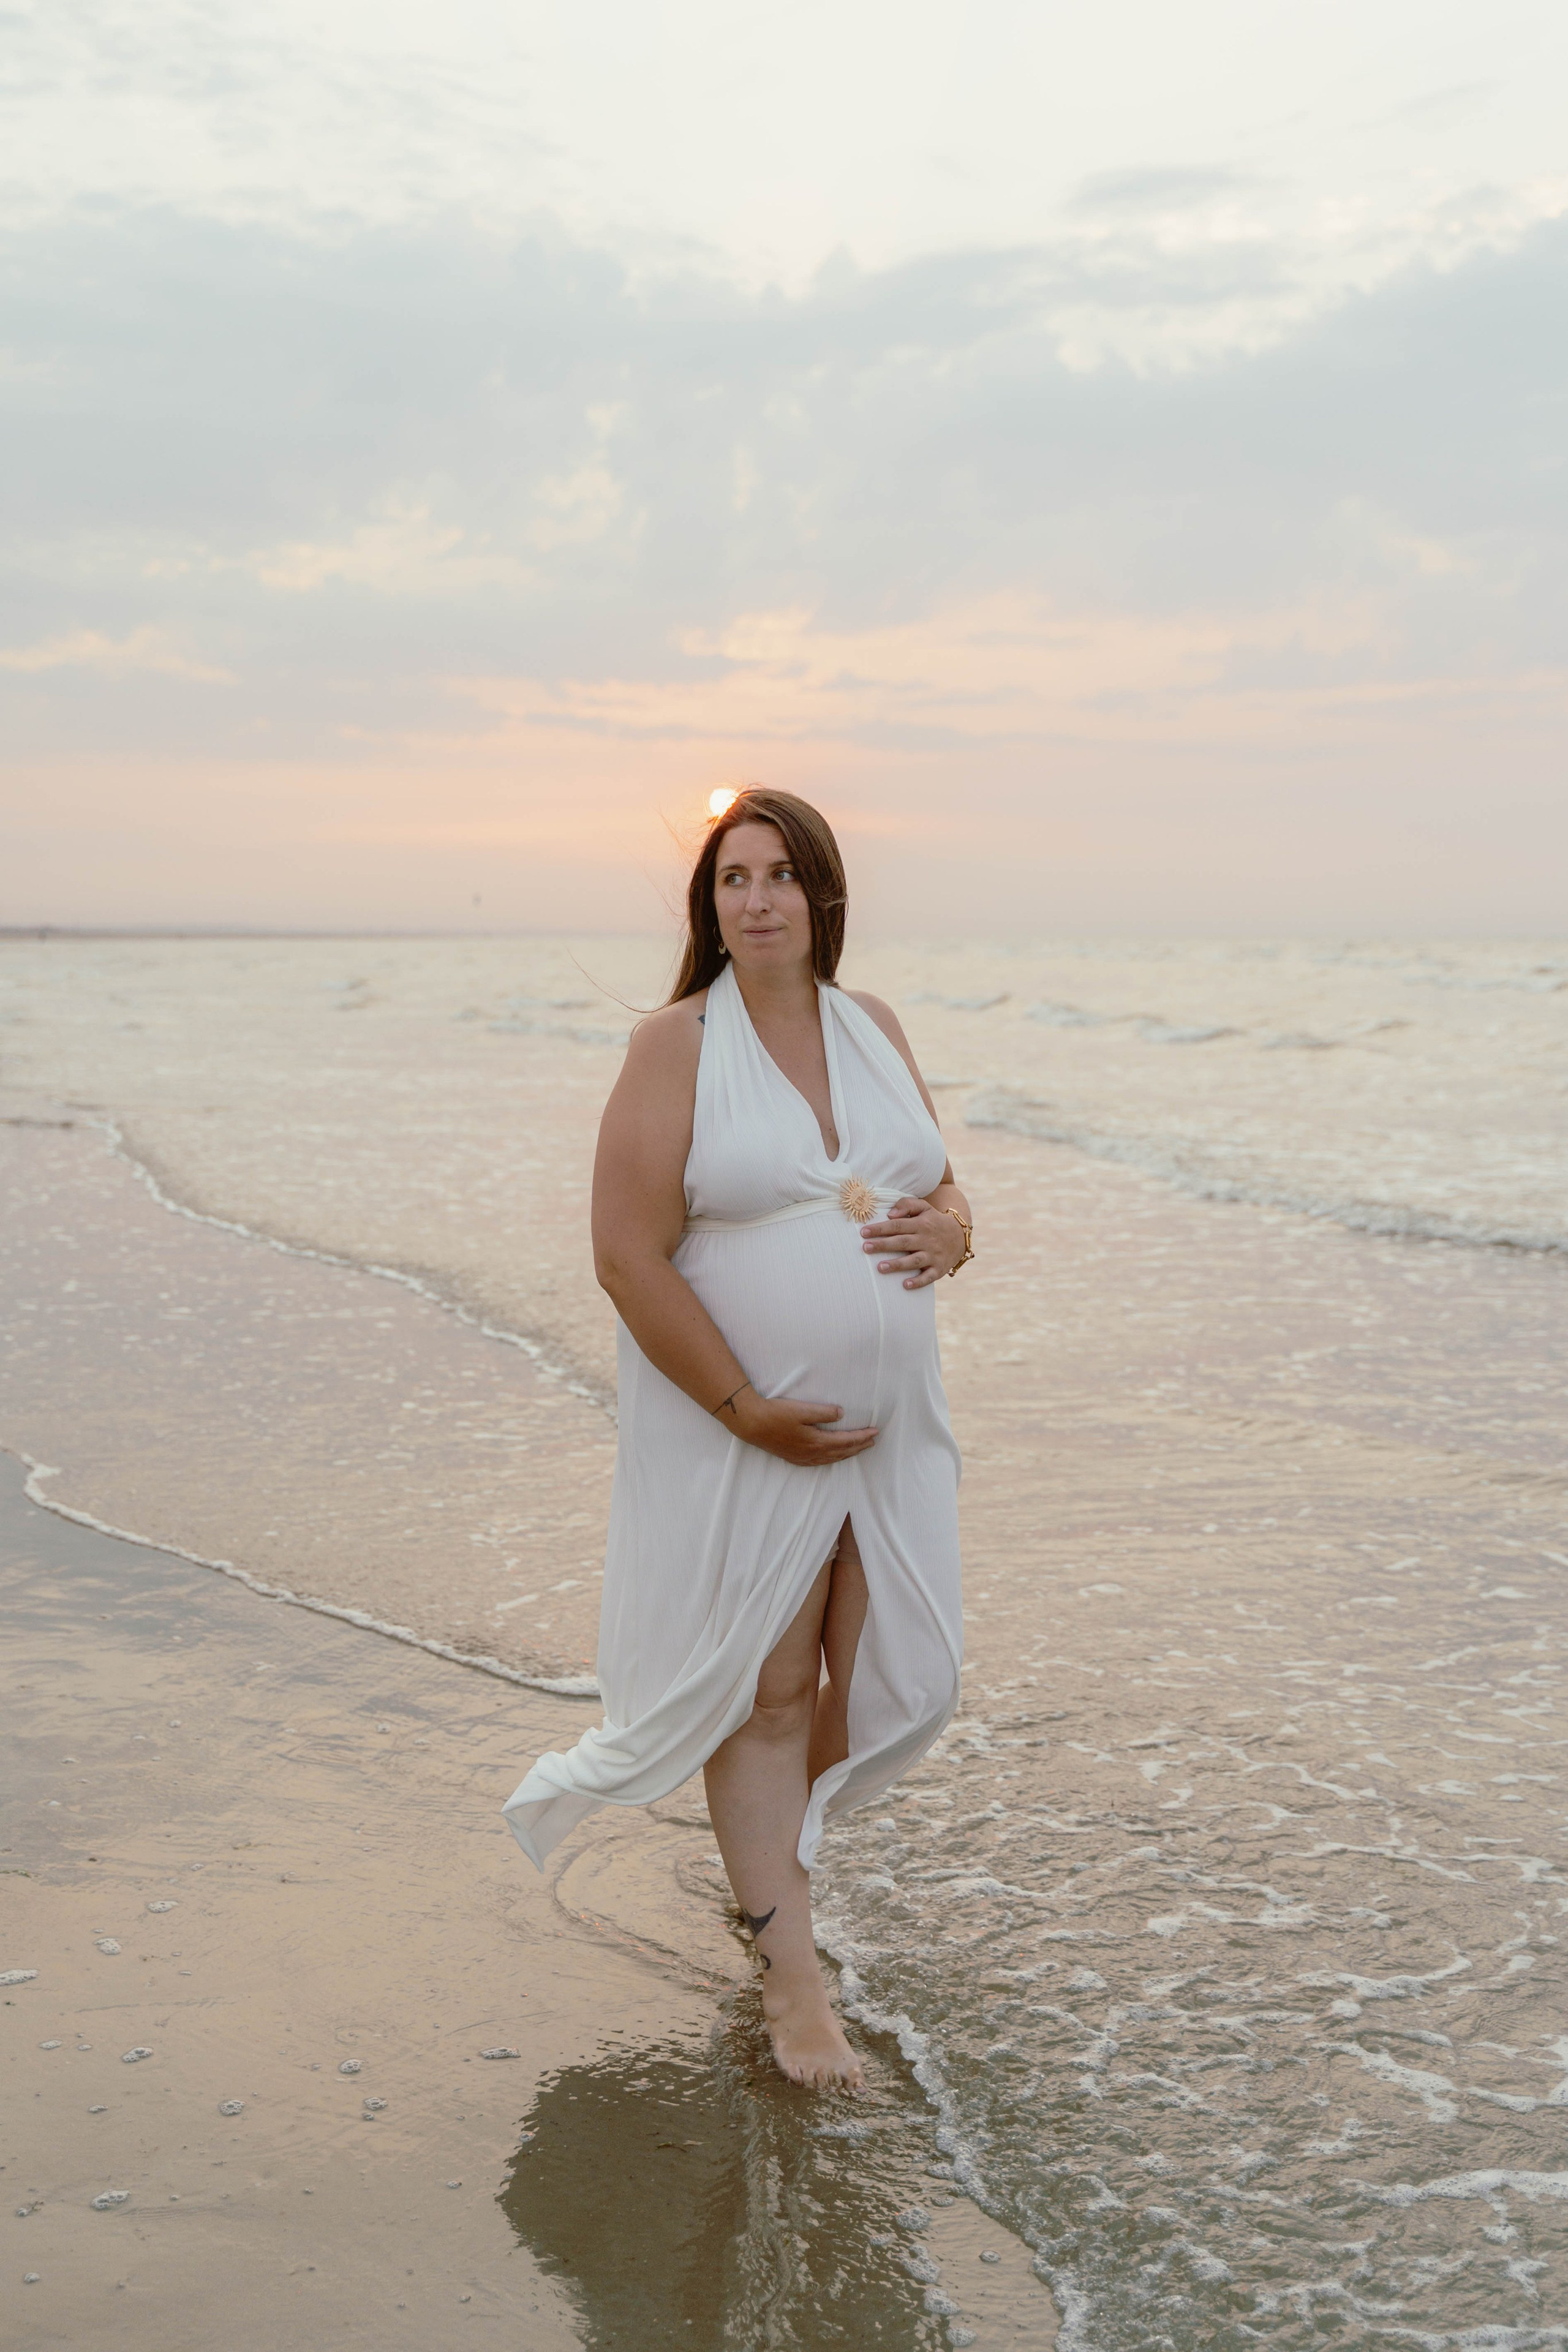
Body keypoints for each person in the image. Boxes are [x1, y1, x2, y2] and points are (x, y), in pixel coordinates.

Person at [503, 788, 973, 2087]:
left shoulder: (870, 1027)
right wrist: (741, 1407)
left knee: (904, 1676)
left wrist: (958, 1227)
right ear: (710, 906)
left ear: (821, 896)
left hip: (892, 1430)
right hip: (739, 1426)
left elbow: (930, 1177)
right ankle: (789, 1977)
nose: (754, 901)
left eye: (776, 876)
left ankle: (771, 1867)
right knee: (767, 1697)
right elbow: (624, 1253)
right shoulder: (675, 1043)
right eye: (730, 880)